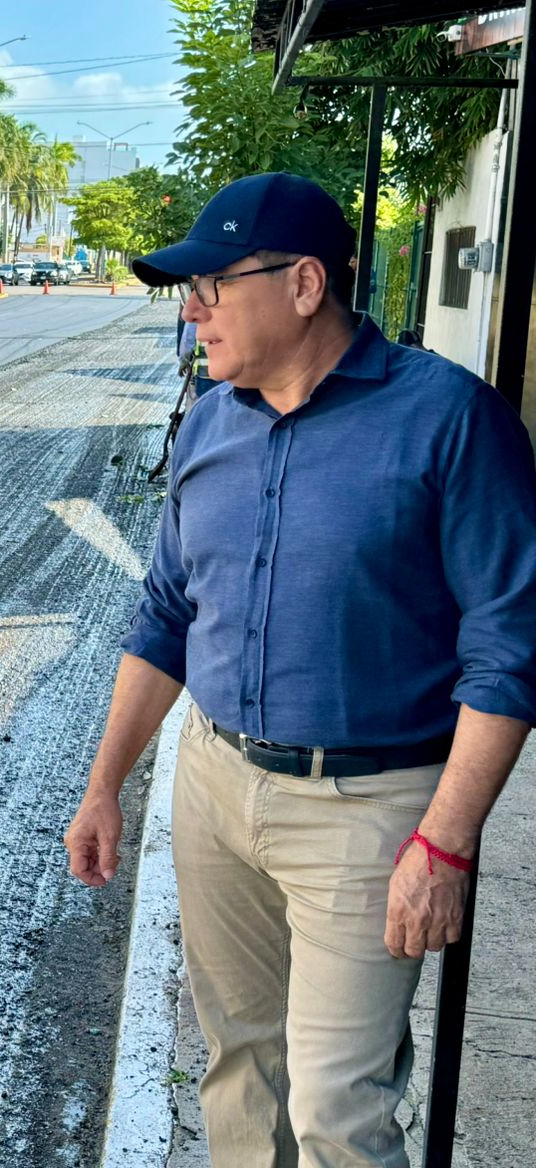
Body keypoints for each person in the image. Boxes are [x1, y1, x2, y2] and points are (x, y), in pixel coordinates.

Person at [63, 172, 536, 1167]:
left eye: (211, 286)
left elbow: (508, 646)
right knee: (238, 1071)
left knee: (339, 1114)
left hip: (366, 811)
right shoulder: (206, 422)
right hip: (214, 786)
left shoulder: (449, 420)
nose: (189, 311)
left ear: (304, 284)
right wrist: (105, 785)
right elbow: (167, 613)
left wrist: (444, 846)